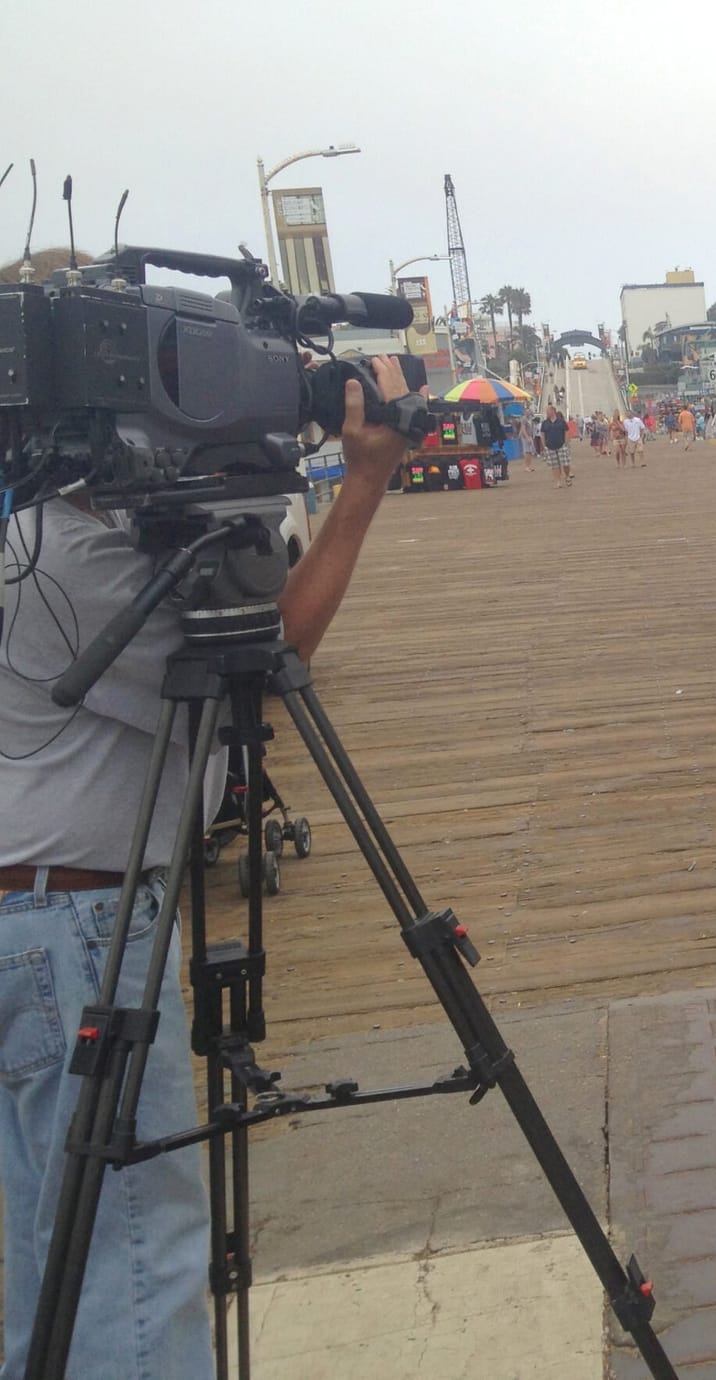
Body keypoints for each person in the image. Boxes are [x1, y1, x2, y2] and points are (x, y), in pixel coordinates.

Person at [0, 356, 418, 1379]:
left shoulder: (35, 538)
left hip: (46, 922)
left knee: (56, 1251)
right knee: (131, 1255)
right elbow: (271, 651)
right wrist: (360, 487)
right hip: (83, 931)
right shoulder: (62, 558)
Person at [541, 404, 572, 488]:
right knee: (555, 465)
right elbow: (543, 434)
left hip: (561, 445)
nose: (546, 413)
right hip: (550, 446)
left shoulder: (561, 421)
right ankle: (558, 481)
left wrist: (565, 442)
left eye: (548, 411)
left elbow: (566, 431)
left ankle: (567, 475)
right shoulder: (545, 423)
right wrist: (544, 446)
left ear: (553, 411)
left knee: (565, 463)